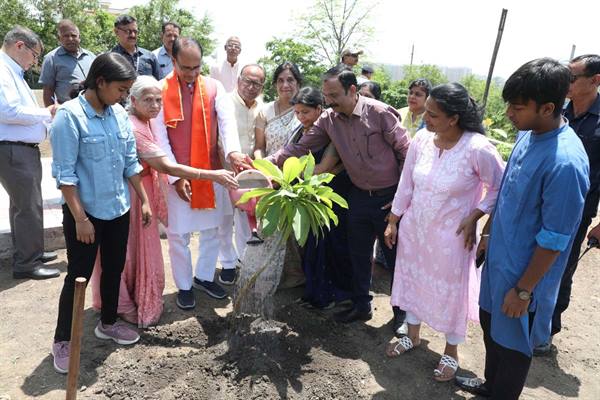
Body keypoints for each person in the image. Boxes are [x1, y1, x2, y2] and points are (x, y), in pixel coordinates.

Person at [455, 58, 589, 399]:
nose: (510, 115)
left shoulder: (565, 162)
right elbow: (507, 193)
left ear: (547, 108)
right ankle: (490, 386)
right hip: (500, 261)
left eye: (518, 108)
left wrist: (525, 290)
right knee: (491, 330)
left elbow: (554, 238)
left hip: (523, 278)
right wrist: (487, 234)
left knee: (513, 346)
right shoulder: (529, 135)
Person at [268, 64, 410, 328]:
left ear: (352, 89)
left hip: (389, 197)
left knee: (395, 258)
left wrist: (402, 197)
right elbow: (300, 147)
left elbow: (407, 152)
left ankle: (403, 314)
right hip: (359, 196)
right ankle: (361, 306)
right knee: (358, 253)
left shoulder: (379, 113)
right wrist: (269, 162)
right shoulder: (329, 120)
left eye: (334, 96)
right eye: (326, 96)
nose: (329, 101)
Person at [90, 75, 238, 327]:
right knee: (128, 250)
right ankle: (121, 304)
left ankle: (136, 297)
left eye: (159, 100)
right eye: (148, 100)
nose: (156, 106)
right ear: (133, 100)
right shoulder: (134, 126)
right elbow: (164, 164)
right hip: (134, 195)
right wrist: (212, 175)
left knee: (142, 248)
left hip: (145, 190)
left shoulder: (146, 122)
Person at [383, 83, 505, 382]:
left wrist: (476, 214)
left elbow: (500, 187)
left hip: (452, 236)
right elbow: (406, 185)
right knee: (413, 279)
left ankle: (451, 351)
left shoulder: (478, 148)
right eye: (426, 112)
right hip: (416, 230)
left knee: (451, 293)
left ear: (454, 118)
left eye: (433, 114)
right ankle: (412, 334)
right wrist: (394, 220)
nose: (426, 118)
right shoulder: (422, 140)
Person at [50, 53, 153, 374]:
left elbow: (130, 163)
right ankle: (63, 341)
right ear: (101, 82)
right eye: (121, 90)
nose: (125, 97)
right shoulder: (69, 117)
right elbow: (65, 176)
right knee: (78, 277)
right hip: (85, 214)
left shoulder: (119, 115)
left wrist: (144, 199)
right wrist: (80, 219)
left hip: (118, 209)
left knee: (113, 269)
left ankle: (107, 322)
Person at [153, 37, 252, 310]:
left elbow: (228, 123)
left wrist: (232, 152)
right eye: (186, 68)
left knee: (212, 229)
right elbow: (160, 139)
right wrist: (175, 176)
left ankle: (204, 277)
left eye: (197, 67)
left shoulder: (214, 86)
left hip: (211, 173)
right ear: (173, 61)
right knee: (178, 235)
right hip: (177, 175)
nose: (192, 74)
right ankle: (184, 286)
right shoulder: (159, 90)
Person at [537, 54, 600, 354]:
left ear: (595, 80)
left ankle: (548, 329)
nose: (567, 83)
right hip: (540, 205)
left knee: (561, 269)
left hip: (577, 212)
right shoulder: (557, 112)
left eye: (573, 78)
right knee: (534, 259)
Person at [0, 26, 60, 280]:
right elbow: (7, 111)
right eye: (35, 56)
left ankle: (30, 251)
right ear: (20, 46)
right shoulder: (3, 71)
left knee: (23, 205)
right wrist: (47, 113)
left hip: (20, 149)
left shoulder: (12, 71)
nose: (35, 62)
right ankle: (27, 262)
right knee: (28, 207)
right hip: (14, 150)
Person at [291, 87, 353, 309]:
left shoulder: (331, 133)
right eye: (297, 112)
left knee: (330, 246)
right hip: (309, 197)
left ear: (319, 109)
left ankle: (330, 296)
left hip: (331, 197)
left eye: (305, 112)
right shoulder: (300, 131)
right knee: (311, 246)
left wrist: (288, 173)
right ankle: (313, 293)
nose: (301, 117)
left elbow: (322, 169)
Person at [253, 61, 305, 289]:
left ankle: (296, 276)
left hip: (296, 178)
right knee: (270, 226)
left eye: (290, 80)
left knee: (294, 230)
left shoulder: (304, 111)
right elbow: (258, 146)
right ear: (275, 84)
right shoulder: (264, 111)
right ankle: (273, 275)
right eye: (281, 80)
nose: (286, 85)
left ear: (298, 83)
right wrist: (263, 167)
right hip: (269, 177)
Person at [216, 64, 266, 284]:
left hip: (252, 173)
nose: (251, 86)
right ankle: (227, 263)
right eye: (247, 80)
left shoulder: (261, 108)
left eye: (257, 83)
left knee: (248, 218)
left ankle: (245, 263)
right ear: (238, 80)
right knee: (225, 219)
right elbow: (217, 138)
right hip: (225, 169)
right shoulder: (224, 101)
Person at [39, 19, 95, 105]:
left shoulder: (91, 56)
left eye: (74, 35)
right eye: (65, 36)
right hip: (68, 109)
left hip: (92, 107)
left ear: (79, 37)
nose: (70, 39)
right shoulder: (51, 58)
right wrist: (52, 114)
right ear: (59, 38)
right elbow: (48, 90)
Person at [111, 15, 159, 80]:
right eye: (128, 31)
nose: (133, 35)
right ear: (116, 32)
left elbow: (160, 83)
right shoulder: (110, 58)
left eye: (135, 32)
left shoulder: (150, 56)